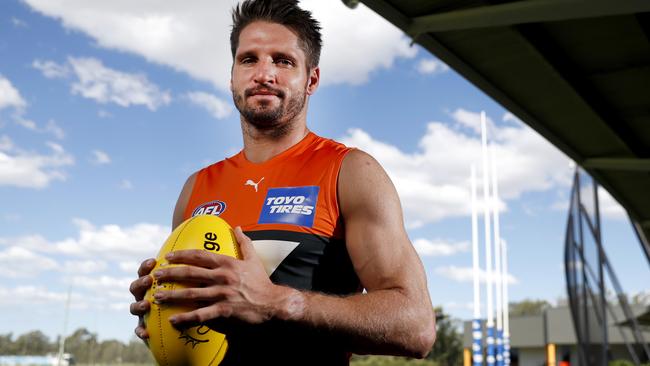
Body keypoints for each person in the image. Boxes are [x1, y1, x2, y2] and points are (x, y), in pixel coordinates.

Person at [129, 0, 436, 363]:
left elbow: (416, 328)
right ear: (232, 78)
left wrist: (279, 302)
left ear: (312, 79)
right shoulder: (195, 188)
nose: (264, 74)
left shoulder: (350, 171)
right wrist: (160, 313)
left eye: (283, 60)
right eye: (249, 59)